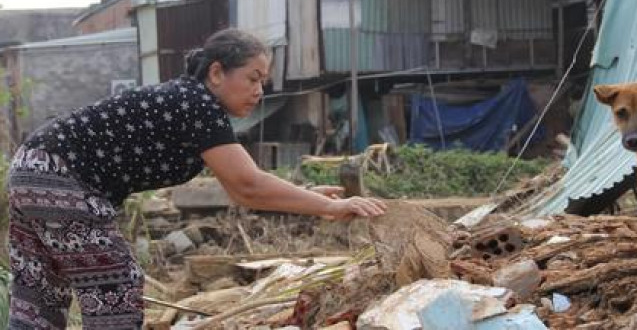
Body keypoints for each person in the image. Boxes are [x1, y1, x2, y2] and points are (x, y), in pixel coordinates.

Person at [6, 28, 386, 330]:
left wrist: (307, 196)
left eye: (263, 82)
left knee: (41, 296)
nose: (259, 91)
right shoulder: (199, 105)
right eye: (253, 78)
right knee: (116, 287)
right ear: (217, 72)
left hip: (31, 167)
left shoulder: (188, 104)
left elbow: (240, 183)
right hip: (62, 176)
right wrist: (331, 207)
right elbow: (248, 186)